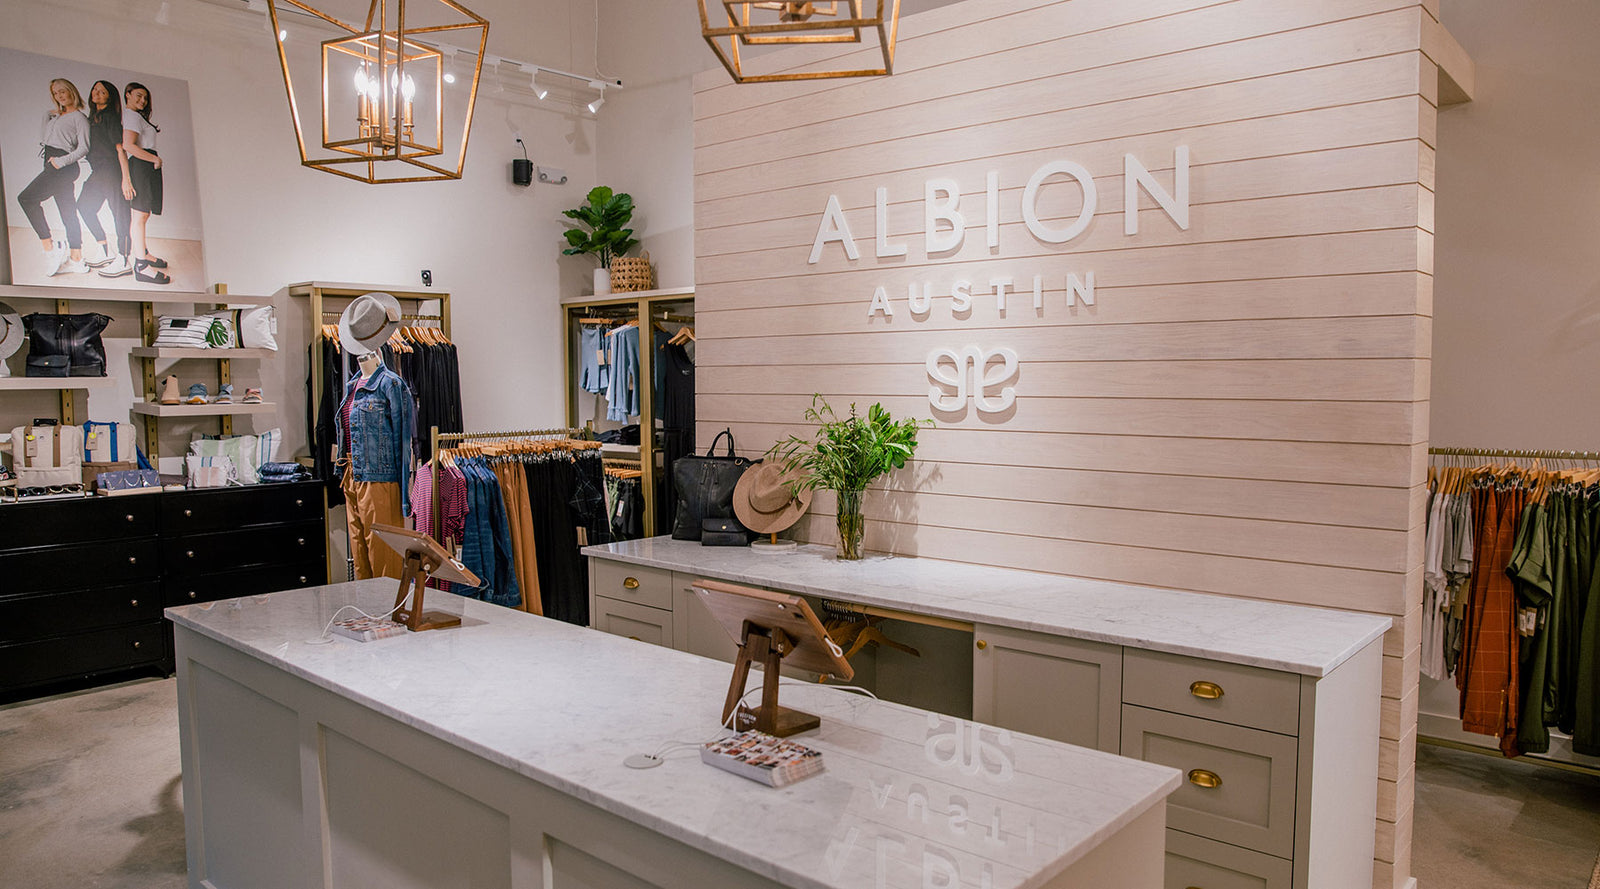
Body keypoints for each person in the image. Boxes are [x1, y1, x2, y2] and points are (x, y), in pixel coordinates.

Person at [15, 78, 90, 277]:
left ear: (71, 91)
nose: (59, 96)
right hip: (51, 162)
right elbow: (44, 139)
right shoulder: (54, 116)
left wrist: (60, 162)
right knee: (68, 211)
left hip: (62, 166)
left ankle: (50, 247)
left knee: (26, 199)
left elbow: (84, 147)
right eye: (55, 93)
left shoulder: (79, 118)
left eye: (62, 91)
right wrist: (46, 117)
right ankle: (76, 259)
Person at [76, 80, 133, 278]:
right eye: (95, 89)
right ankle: (105, 250)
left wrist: (126, 179)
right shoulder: (92, 118)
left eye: (102, 91)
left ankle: (124, 260)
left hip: (112, 172)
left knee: (120, 215)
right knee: (84, 206)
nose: (97, 93)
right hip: (98, 172)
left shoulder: (110, 118)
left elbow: (120, 150)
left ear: (110, 97)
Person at [117, 81, 169, 285]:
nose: (143, 100)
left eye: (145, 98)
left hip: (145, 166)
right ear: (128, 95)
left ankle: (143, 253)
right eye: (138, 95)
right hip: (141, 166)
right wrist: (154, 159)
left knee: (143, 215)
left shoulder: (137, 117)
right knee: (139, 216)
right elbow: (128, 145)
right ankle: (140, 265)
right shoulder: (131, 115)